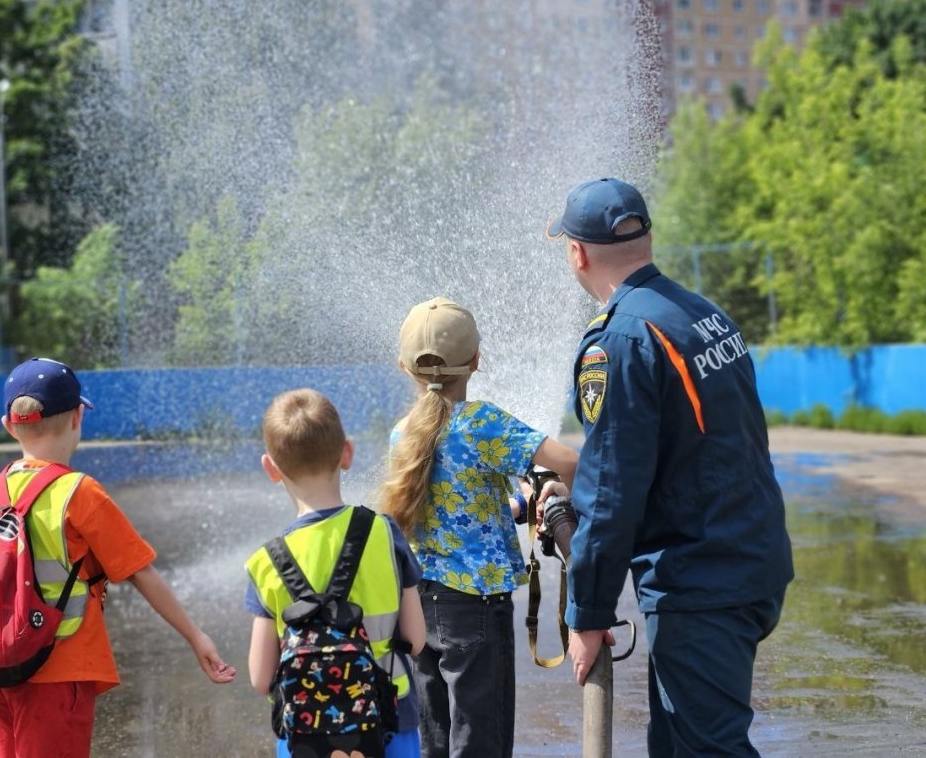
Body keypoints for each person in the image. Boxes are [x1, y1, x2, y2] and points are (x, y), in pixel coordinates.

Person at [542, 178, 794, 756]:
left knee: (708, 749)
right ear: (647, 238)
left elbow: (611, 492)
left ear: (577, 253)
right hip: (746, 559)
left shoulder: (621, 340)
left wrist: (587, 614)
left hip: (702, 582)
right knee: (678, 744)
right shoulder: (699, 312)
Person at [0, 357, 236, 758]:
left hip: (0, 665)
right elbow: (141, 574)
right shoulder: (79, 492)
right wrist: (195, 636)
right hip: (59, 668)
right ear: (78, 417)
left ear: (10, 425)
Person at [378, 297, 579, 758]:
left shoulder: (402, 433)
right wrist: (560, 495)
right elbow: (571, 463)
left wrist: (517, 505)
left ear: (404, 367)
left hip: (419, 603)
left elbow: (451, 510)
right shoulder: (482, 422)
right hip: (476, 606)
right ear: (475, 361)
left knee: (436, 737)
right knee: (480, 739)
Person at [244, 388, 426, 758]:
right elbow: (416, 638)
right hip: (390, 719)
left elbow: (261, 678)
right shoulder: (383, 534)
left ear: (271, 469)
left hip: (303, 733)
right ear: (347, 453)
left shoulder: (264, 562)